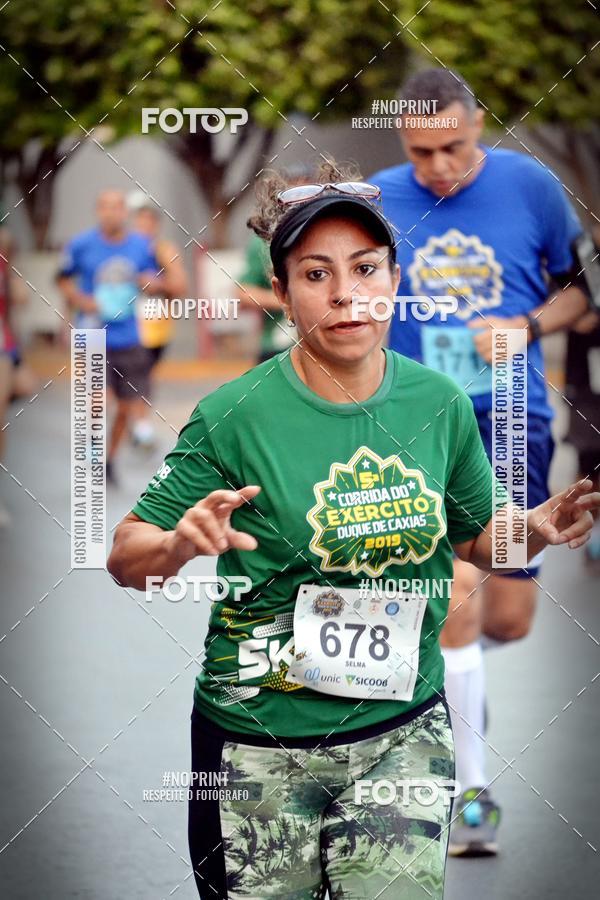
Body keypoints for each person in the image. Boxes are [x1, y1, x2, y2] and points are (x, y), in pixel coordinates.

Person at [107, 162, 599, 900]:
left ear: (395, 280)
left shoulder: (439, 402)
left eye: (366, 268)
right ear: (282, 293)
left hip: (403, 735)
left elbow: (477, 542)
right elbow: (126, 556)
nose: (346, 293)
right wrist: (180, 545)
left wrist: (532, 530)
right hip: (256, 745)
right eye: (316, 274)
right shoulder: (233, 415)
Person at [370, 67, 593, 856]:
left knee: (505, 618)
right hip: (415, 424)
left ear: (480, 124)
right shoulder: (375, 199)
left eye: (454, 148)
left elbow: (583, 295)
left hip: (509, 417)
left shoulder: (531, 186)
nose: (438, 166)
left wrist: (525, 326)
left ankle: (444, 669)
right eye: (420, 151)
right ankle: (470, 794)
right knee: (458, 592)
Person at [57, 189, 162, 485]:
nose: (110, 212)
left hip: (128, 334)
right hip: (92, 333)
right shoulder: (81, 245)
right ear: (97, 211)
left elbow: (154, 278)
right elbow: (63, 279)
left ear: (124, 212)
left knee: (126, 407)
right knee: (98, 400)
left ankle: (108, 459)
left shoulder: (140, 245)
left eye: (116, 207)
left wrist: (151, 283)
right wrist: (80, 301)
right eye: (104, 207)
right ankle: (92, 451)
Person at [127, 190, 189, 448]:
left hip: (153, 326)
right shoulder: (123, 248)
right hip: (122, 325)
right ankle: (135, 424)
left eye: (150, 219)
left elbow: (180, 285)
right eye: (140, 218)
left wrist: (156, 284)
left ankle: (139, 424)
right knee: (124, 377)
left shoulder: (162, 249)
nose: (145, 224)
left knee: (141, 376)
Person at [237, 166, 312, 363]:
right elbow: (243, 293)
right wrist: (291, 302)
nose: (301, 200)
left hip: (320, 346)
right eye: (293, 191)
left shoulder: (327, 236)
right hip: (277, 347)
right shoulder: (264, 242)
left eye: (307, 190)